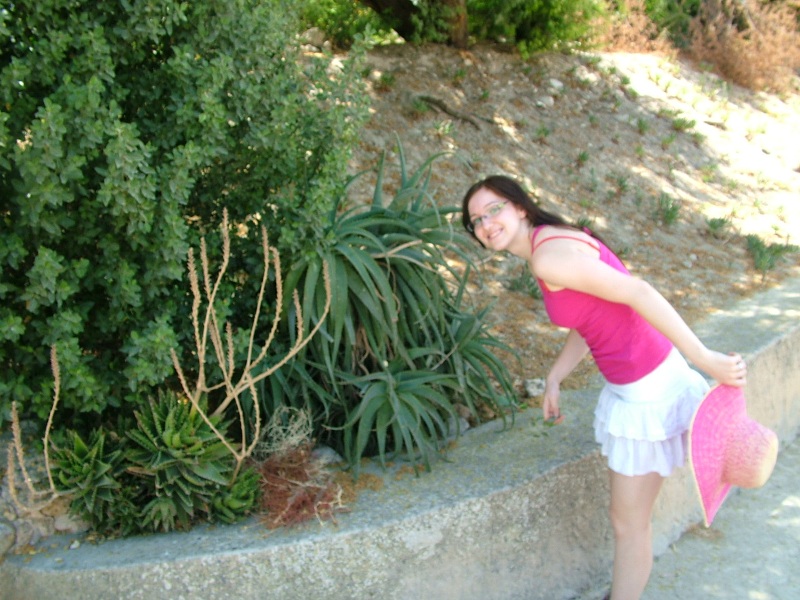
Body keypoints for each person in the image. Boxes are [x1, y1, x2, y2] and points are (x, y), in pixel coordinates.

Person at [461, 175, 748, 600]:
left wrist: (703, 357)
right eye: (476, 221)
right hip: (645, 379)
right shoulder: (550, 240)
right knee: (629, 522)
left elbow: (637, 291)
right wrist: (556, 375)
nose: (486, 224)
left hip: (649, 391)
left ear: (519, 206)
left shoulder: (547, 258)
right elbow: (590, 315)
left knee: (629, 524)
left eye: (493, 209)